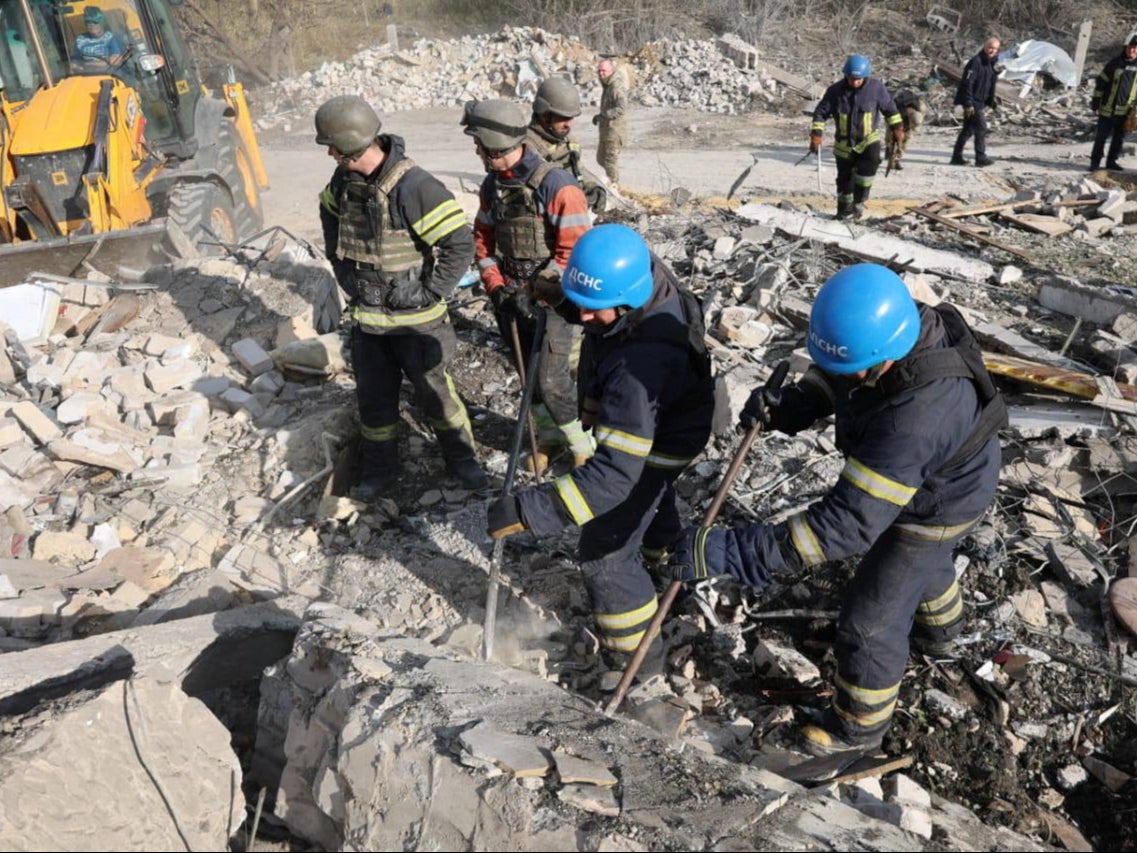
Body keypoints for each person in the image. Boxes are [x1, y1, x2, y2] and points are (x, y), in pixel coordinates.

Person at [668, 263, 1005, 756]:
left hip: (938, 504)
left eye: (855, 371)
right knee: (919, 570)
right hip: (942, 472)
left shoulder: (913, 420)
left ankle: (857, 729)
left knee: (870, 622)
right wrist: (795, 405)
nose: (848, 376)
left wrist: (734, 553)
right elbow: (841, 378)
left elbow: (841, 528)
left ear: (882, 356)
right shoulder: (891, 328)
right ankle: (944, 632)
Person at [489, 224, 715, 663]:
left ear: (628, 303)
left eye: (596, 309)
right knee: (648, 500)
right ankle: (668, 567)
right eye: (582, 305)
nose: (584, 317)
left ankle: (640, 666)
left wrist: (527, 510)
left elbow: (613, 475)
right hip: (674, 411)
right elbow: (599, 311)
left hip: (663, 436)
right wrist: (560, 298)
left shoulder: (638, 368)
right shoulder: (633, 267)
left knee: (604, 551)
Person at [315, 95, 486, 498]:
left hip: (417, 324)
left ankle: (463, 462)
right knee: (374, 405)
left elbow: (461, 243)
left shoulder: (414, 186)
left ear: (351, 143)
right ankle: (380, 473)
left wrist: (429, 291)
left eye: (333, 146)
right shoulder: (342, 184)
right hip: (369, 325)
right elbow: (328, 218)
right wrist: (343, 272)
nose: (329, 153)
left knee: (436, 397)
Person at [463, 98, 594, 474]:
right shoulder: (493, 186)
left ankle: (583, 447)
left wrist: (534, 290)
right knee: (529, 377)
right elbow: (483, 240)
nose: (478, 152)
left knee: (552, 380)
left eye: (482, 146)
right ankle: (548, 439)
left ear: (497, 146)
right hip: (512, 300)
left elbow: (573, 249)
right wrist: (496, 287)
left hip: (553, 302)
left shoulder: (557, 185)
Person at [810, 54, 903, 220]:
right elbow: (820, 113)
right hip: (844, 145)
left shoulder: (876, 89)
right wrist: (816, 135)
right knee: (845, 181)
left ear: (865, 76)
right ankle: (844, 211)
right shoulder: (835, 91)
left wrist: (898, 128)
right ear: (845, 75)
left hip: (868, 140)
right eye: (851, 78)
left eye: (858, 79)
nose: (854, 82)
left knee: (868, 170)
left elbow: (890, 110)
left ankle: (859, 205)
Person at [527, 76, 607, 214]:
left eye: (571, 118)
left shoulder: (568, 139)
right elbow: (541, 187)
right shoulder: (526, 147)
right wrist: (574, 198)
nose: (569, 124)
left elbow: (579, 169)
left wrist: (593, 187)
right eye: (563, 118)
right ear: (545, 115)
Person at [1089, 33, 1137, 172]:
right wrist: (1095, 103)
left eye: (1135, 48)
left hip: (1125, 111)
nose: (1133, 50)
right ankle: (1095, 163)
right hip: (1107, 110)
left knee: (1118, 140)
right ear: (1125, 47)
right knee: (1101, 138)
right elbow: (1100, 84)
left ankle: (1111, 162)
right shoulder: (1114, 63)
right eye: (1130, 47)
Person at [951, 37, 1000, 167]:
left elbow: (989, 84)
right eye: (990, 47)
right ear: (984, 46)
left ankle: (956, 157)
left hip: (980, 101)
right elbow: (967, 84)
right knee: (981, 128)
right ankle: (980, 157)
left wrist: (991, 100)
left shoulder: (990, 64)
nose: (992, 50)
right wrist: (968, 103)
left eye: (995, 49)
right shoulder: (975, 62)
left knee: (967, 130)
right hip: (973, 102)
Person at [594, 59, 629, 189]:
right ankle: (612, 181)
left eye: (604, 71)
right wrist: (599, 117)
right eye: (599, 70)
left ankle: (614, 187)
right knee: (600, 158)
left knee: (610, 162)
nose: (601, 73)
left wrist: (605, 115)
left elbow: (621, 107)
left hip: (614, 131)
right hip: (606, 131)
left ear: (611, 71)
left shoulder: (616, 86)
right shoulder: (607, 85)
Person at [73, 6, 123, 70]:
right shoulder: (80, 40)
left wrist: (88, 64)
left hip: (109, 74)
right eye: (88, 22)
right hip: (87, 76)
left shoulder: (110, 37)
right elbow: (74, 63)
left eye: (95, 22)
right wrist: (79, 67)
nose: (92, 25)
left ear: (102, 22)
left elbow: (116, 60)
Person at [887, 89, 925, 170]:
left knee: (906, 141)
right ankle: (891, 159)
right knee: (893, 139)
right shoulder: (898, 111)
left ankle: (897, 160)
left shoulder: (920, 107)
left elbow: (917, 122)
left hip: (910, 119)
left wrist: (911, 128)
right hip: (895, 119)